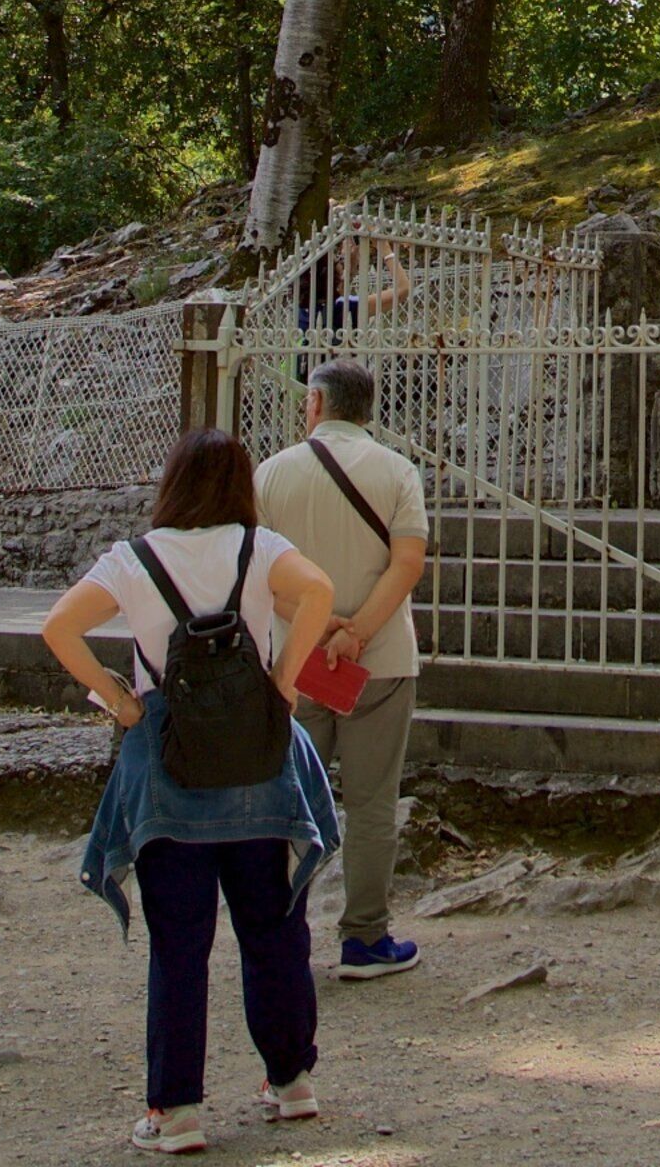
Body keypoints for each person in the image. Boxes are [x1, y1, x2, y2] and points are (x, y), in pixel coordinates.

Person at [50, 431, 341, 1154]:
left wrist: (117, 698)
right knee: (273, 929)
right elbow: (319, 591)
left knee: (179, 945)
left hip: (170, 769)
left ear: (172, 483)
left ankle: (177, 1111)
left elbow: (59, 627)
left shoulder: (134, 559)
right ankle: (291, 1079)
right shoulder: (260, 547)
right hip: (258, 764)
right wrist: (282, 682)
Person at [253, 360, 429, 981]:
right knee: (374, 801)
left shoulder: (272, 474)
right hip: (378, 663)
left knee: (288, 799)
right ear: (368, 409)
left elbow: (259, 576)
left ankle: (278, 933)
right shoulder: (397, 471)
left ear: (316, 404)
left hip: (295, 661)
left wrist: (321, 626)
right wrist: (356, 633)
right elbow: (407, 564)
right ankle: (364, 937)